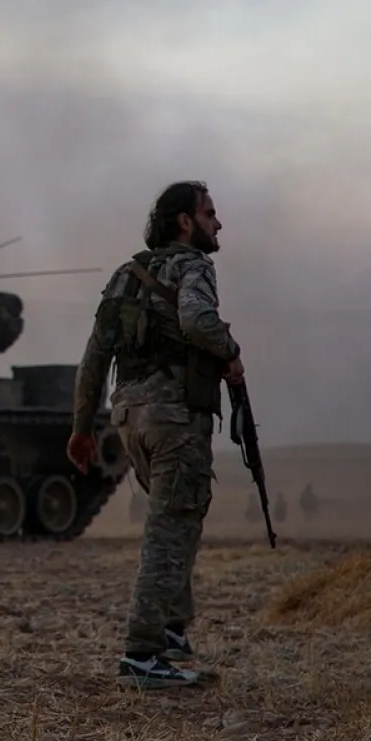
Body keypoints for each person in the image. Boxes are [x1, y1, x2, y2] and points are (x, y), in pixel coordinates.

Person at [66, 180, 243, 690]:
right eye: (209, 214)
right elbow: (198, 321)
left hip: (130, 418)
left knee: (174, 519)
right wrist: (231, 354)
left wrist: (82, 428)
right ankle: (142, 654)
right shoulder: (193, 266)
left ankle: (170, 629)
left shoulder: (125, 275)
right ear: (185, 222)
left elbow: (94, 357)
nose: (218, 223)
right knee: (171, 527)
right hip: (173, 417)